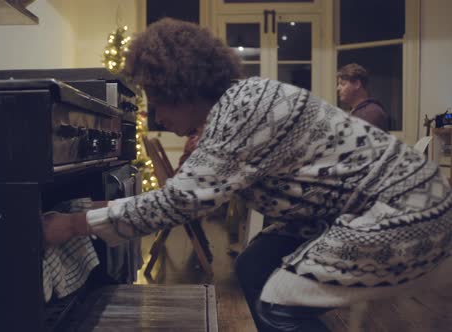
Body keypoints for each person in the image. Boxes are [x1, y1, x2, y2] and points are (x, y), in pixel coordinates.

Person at [42, 18, 452, 331]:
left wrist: (73, 224)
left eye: (159, 102)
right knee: (255, 263)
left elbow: (179, 200)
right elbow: (184, 192)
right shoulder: (238, 104)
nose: (159, 117)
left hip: (405, 213)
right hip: (355, 209)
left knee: (280, 301)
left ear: (182, 87)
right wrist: (88, 210)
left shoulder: (244, 109)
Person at [337, 63, 389, 131]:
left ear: (357, 84)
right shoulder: (357, 111)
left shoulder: (371, 113)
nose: (338, 88)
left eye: (343, 84)